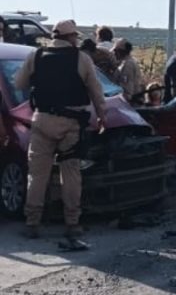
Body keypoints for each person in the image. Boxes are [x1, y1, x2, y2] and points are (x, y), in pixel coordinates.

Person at [15, 19, 107, 243]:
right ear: (70, 37)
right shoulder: (81, 59)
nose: (77, 39)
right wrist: (102, 116)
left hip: (42, 121)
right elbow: (96, 91)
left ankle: (32, 222)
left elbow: (19, 83)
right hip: (70, 124)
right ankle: (72, 224)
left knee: (37, 175)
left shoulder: (36, 56)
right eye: (75, 36)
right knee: (71, 174)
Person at [113, 38, 144, 103]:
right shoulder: (128, 62)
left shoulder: (127, 65)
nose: (114, 53)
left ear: (120, 51)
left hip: (130, 104)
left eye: (115, 51)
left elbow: (127, 88)